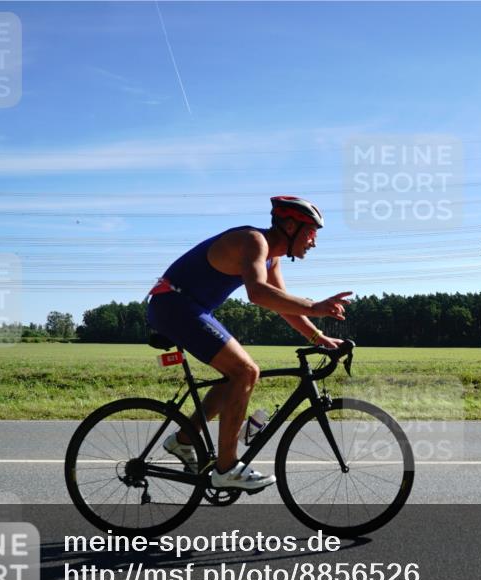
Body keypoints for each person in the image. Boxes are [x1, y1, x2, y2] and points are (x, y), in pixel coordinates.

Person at [146, 196, 351, 491]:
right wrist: (315, 306)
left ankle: (184, 439)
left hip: (189, 307)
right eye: (311, 233)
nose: (314, 242)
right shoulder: (254, 241)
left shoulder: (272, 257)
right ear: (290, 226)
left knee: (237, 374)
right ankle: (226, 468)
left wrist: (319, 337)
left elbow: (281, 304)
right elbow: (257, 293)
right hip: (174, 304)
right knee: (246, 371)